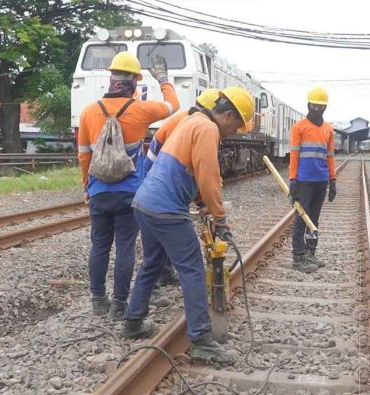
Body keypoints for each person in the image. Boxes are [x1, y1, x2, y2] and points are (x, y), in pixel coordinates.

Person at [123, 87, 254, 364]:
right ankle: (202, 339)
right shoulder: (208, 129)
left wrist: (203, 206)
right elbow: (208, 177)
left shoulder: (191, 122)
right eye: (237, 125)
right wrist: (220, 218)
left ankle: (133, 322)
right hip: (166, 209)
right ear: (228, 115)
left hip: (144, 203)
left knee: (152, 263)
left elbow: (188, 169)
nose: (236, 131)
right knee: (192, 269)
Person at [77, 51, 179, 320]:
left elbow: (84, 154)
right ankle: (119, 305)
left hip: (99, 191)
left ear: (111, 79)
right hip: (129, 192)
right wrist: (163, 79)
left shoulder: (89, 112)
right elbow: (173, 105)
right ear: (134, 82)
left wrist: (86, 186)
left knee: (99, 245)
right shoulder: (141, 110)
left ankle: (98, 300)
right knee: (125, 246)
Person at [144, 88, 221, 287]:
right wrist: (205, 204)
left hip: (156, 186)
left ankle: (163, 274)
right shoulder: (192, 125)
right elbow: (191, 169)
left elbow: (190, 169)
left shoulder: (187, 120)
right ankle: (157, 281)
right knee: (162, 239)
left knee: (163, 235)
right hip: (158, 186)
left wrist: (202, 203)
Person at [288, 87, 337, 273]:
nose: (317, 109)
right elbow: (294, 155)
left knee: (314, 220)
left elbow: (330, 156)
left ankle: (311, 253)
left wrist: (332, 181)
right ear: (308, 105)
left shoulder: (329, 130)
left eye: (321, 106)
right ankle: (298, 256)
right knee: (302, 218)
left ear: (325, 108)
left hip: (321, 180)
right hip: (303, 181)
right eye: (314, 106)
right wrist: (293, 180)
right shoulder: (299, 127)